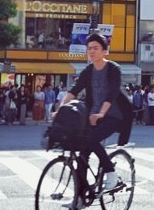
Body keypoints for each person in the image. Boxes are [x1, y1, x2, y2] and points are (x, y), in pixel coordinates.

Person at [54, 33, 133, 193]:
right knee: (82, 149)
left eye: (96, 48)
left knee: (91, 140)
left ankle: (111, 173)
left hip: (113, 115)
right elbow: (74, 91)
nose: (92, 51)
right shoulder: (88, 71)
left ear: (105, 51)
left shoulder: (113, 69)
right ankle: (81, 195)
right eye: (89, 48)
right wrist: (60, 109)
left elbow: (112, 93)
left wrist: (101, 113)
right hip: (91, 116)